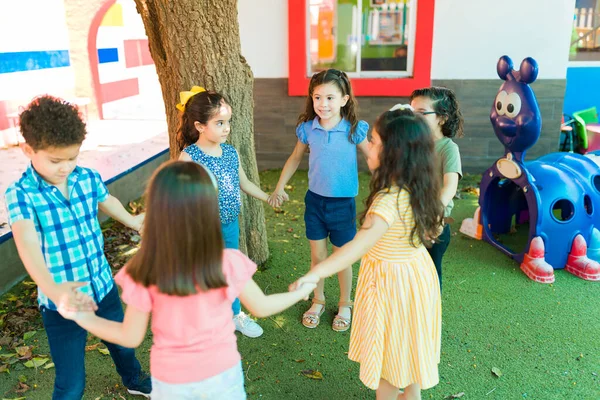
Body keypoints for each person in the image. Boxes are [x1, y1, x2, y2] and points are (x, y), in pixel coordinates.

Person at [57, 161, 316, 400]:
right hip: (222, 376)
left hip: (171, 380)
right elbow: (262, 307)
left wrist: (83, 317)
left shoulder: (144, 268)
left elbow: (130, 336)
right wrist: (299, 291)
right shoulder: (227, 262)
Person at [291, 107, 444, 400]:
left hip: (393, 287)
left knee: (388, 361)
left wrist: (316, 273)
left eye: (373, 140)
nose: (367, 145)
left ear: (392, 153)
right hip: (417, 278)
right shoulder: (418, 188)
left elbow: (354, 249)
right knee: (408, 350)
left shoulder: (386, 203)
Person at [4, 96, 151, 399]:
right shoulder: (20, 194)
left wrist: (132, 220)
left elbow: (106, 200)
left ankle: (134, 379)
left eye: (73, 158)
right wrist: (54, 290)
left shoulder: (86, 177)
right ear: (28, 150)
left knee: (124, 345)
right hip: (62, 303)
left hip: (102, 285)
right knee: (71, 382)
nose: (66, 168)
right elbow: (27, 243)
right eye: (56, 161)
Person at [268, 69, 369, 332]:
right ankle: (319, 300)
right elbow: (295, 158)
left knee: (342, 257)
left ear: (344, 100)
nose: (323, 104)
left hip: (343, 205)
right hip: (315, 203)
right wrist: (279, 186)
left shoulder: (354, 130)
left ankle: (345, 303)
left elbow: (374, 159)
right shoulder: (307, 129)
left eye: (330, 98)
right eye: (317, 97)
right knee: (318, 255)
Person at [177, 86, 272, 338]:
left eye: (228, 121)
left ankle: (236, 314)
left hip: (230, 224)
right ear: (199, 126)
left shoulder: (230, 152)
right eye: (220, 123)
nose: (227, 128)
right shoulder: (189, 157)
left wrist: (267, 196)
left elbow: (245, 182)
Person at [410, 87, 464, 289]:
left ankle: (431, 317)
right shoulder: (413, 144)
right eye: (412, 111)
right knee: (410, 272)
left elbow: (450, 186)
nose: (415, 117)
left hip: (434, 222)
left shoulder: (448, 148)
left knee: (430, 274)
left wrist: (433, 214)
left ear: (442, 118)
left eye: (422, 113)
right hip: (411, 218)